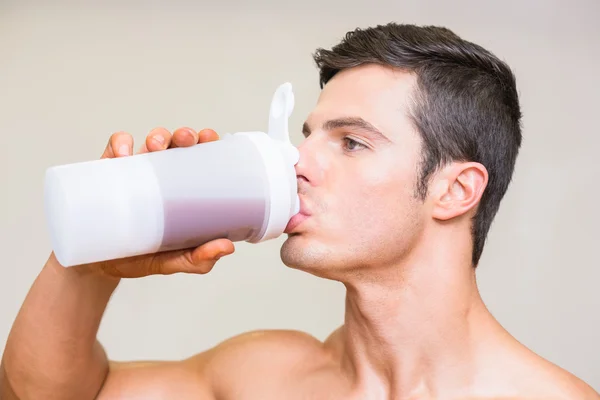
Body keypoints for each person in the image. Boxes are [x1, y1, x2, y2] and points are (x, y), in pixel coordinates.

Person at [1, 22, 598, 400]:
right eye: (306, 134)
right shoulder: (265, 374)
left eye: (351, 142)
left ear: (455, 191)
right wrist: (93, 260)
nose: (297, 161)